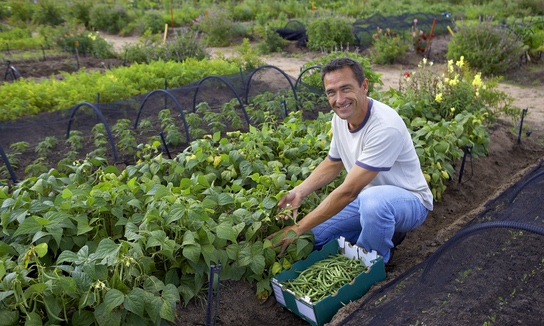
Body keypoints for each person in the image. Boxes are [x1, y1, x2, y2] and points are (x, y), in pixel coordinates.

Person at [269, 57, 433, 264]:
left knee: (374, 203)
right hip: (365, 200)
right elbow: (333, 163)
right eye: (331, 92)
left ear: (364, 86)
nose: (339, 99)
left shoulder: (384, 126)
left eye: (346, 89)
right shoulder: (340, 118)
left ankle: (369, 263)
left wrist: (296, 227)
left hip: (408, 202)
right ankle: (383, 232)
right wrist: (299, 191)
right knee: (316, 238)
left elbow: (348, 192)